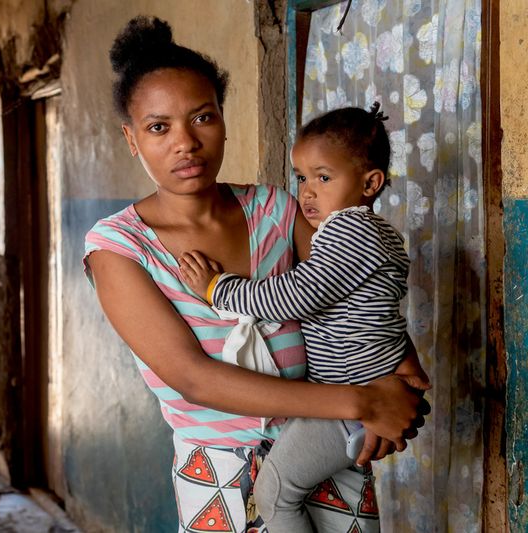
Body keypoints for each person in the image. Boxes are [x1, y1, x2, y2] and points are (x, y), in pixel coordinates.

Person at [83, 16, 429, 532]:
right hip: (219, 472)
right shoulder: (119, 247)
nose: (186, 142)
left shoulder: (277, 210)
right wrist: (364, 400)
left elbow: (353, 294)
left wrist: (399, 374)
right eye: (159, 127)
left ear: (223, 119)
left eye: (202, 118)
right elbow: (193, 379)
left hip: (323, 452)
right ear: (132, 139)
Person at [179, 104, 428, 532]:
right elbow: (376, 310)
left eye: (324, 178)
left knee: (275, 491)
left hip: (353, 400)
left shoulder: (350, 232)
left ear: (370, 183)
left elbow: (295, 296)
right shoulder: (379, 232)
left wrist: (218, 288)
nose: (308, 192)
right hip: (360, 394)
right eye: (301, 177)